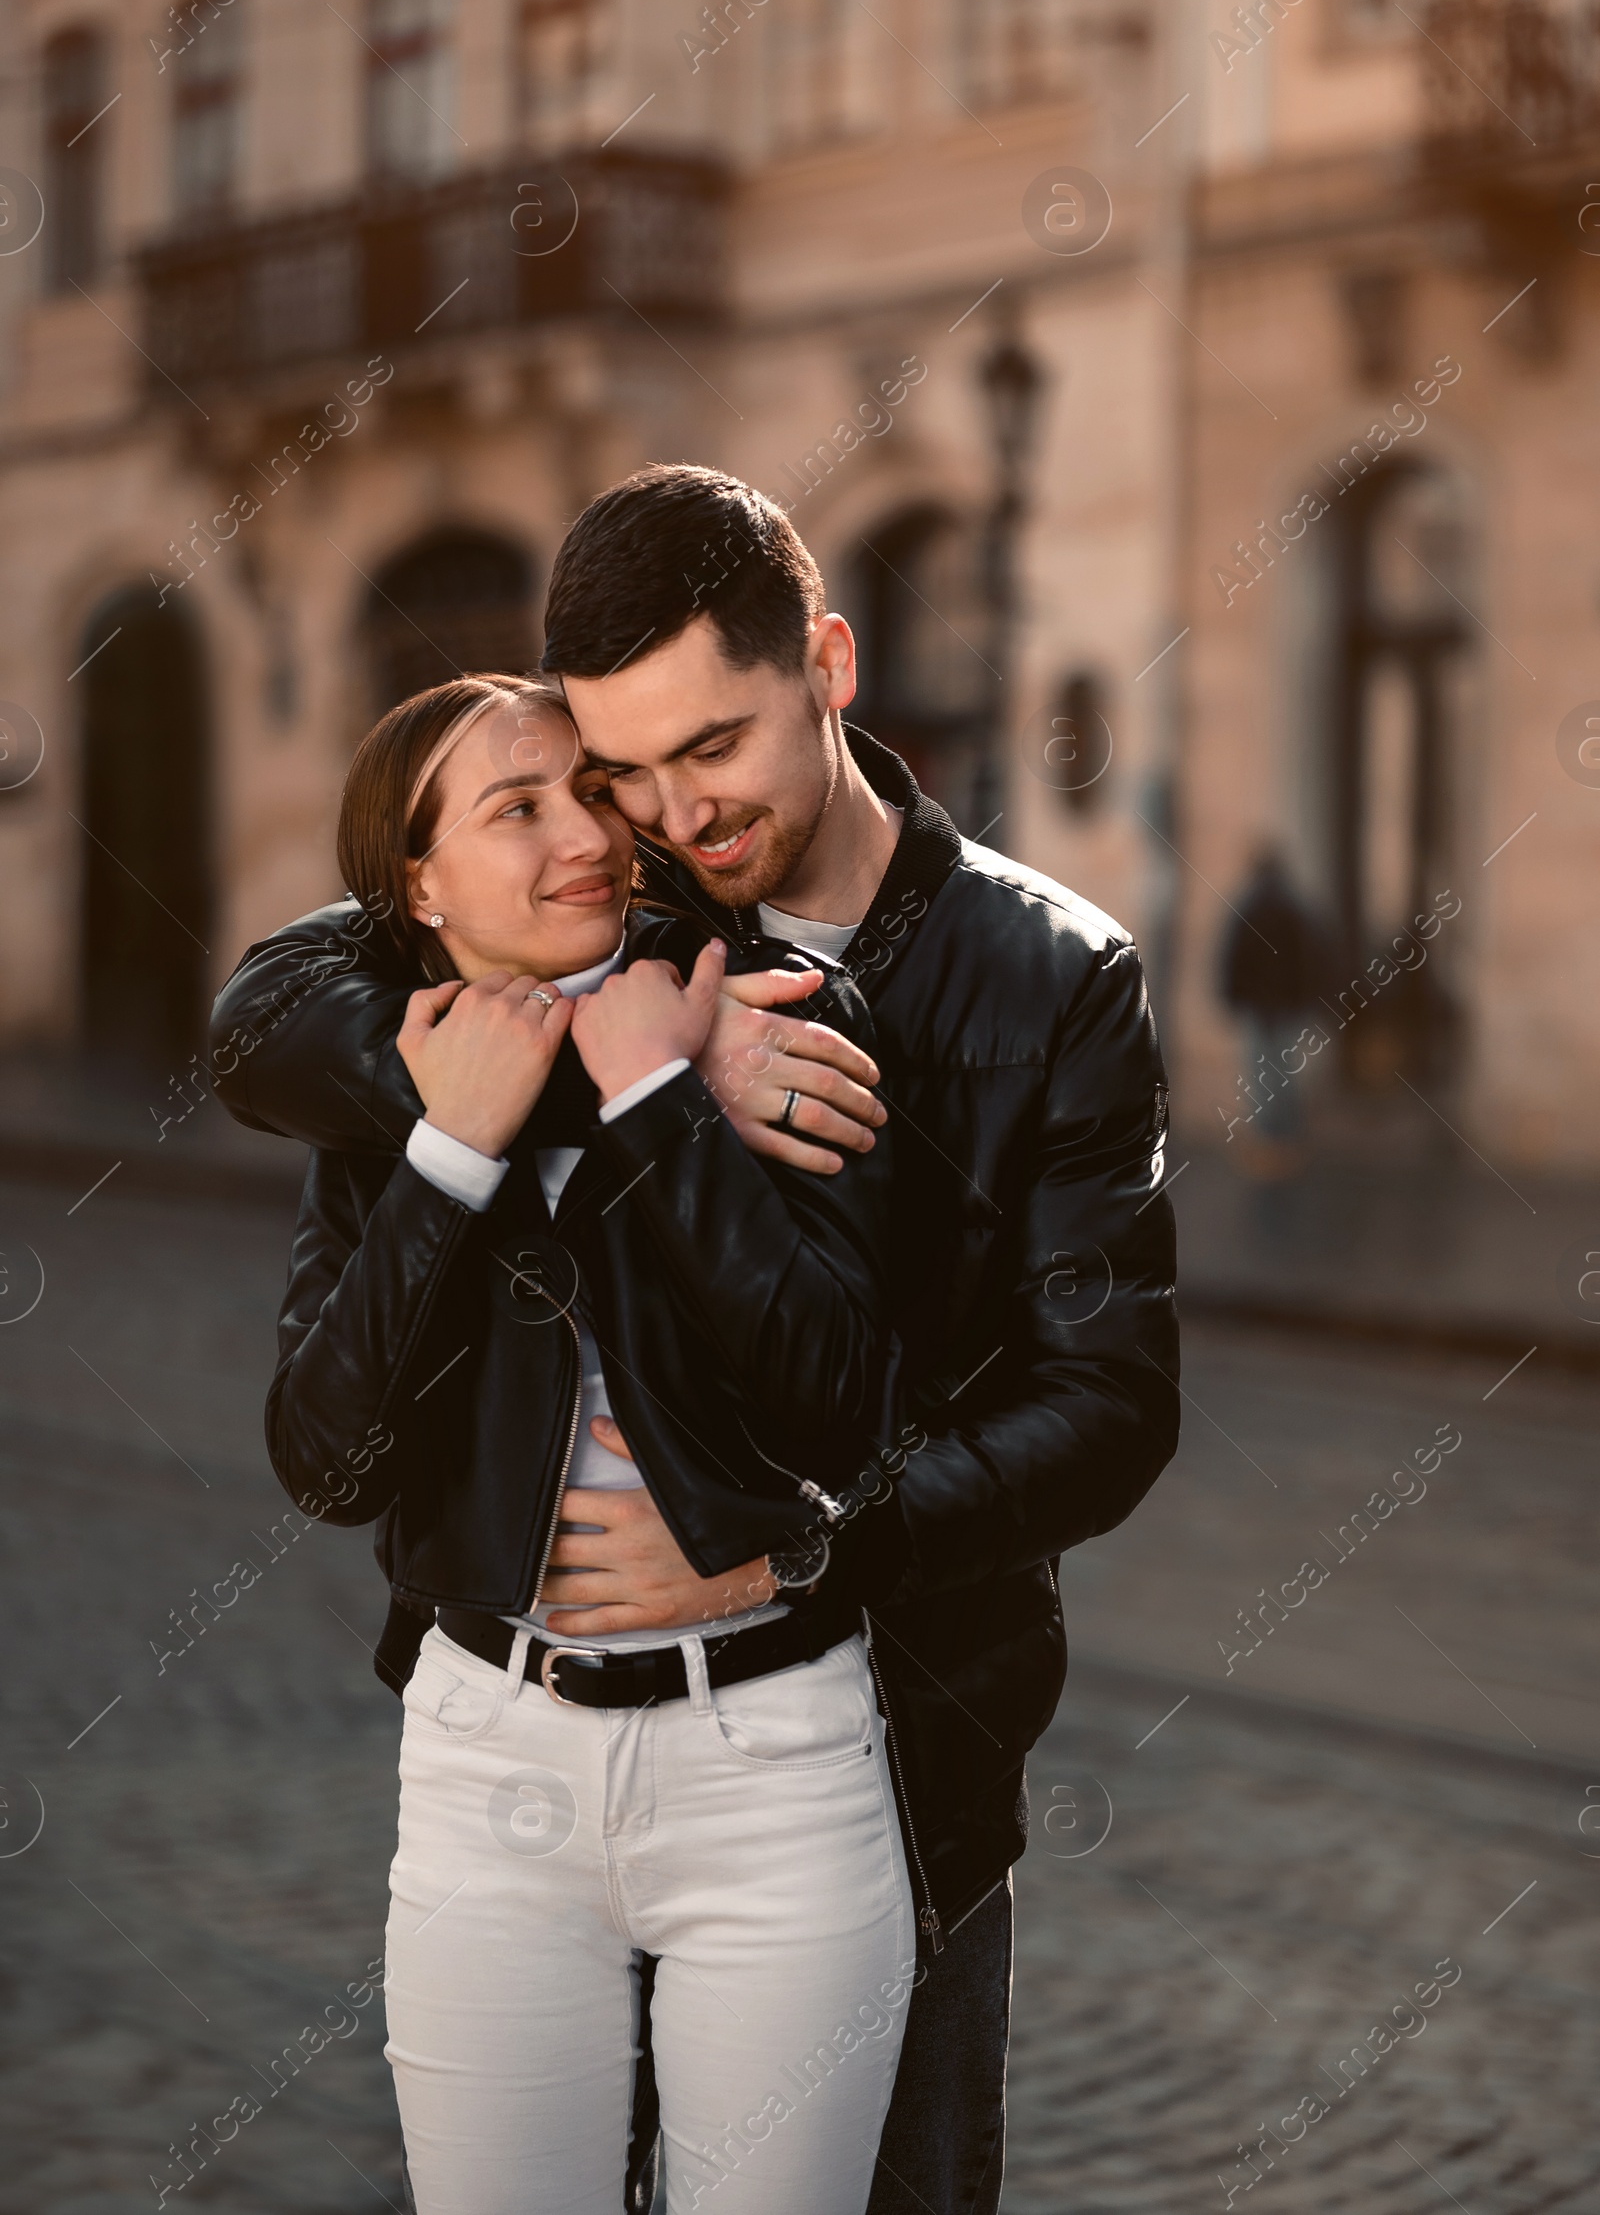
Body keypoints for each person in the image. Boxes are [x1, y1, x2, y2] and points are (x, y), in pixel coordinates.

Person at [212, 467, 1181, 2215]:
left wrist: (820, 1539)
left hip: (901, 1754)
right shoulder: (630, 907)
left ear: (827, 661)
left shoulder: (1045, 978)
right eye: (616, 767)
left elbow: (1107, 1408)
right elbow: (278, 998)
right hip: (531, 1754)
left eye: (709, 751)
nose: (662, 812)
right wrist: (558, 1086)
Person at [257, 671, 924, 2215]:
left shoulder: (766, 1021)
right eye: (517, 807)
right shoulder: (382, 1111)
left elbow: (844, 1402)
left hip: (775, 1764)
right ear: (417, 886)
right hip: (492, 1757)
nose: (588, 837)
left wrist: (658, 1097)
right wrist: (449, 1154)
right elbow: (327, 1461)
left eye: (588, 790)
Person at [1217, 845, 1332, 1178]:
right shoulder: (1295, 906)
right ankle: (1287, 1141)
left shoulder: (1249, 906)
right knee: (1283, 1071)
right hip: (1284, 1004)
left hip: (1261, 1004)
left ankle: (1269, 1143)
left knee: (1261, 1073)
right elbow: (1311, 957)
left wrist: (1233, 996)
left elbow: (1233, 956)